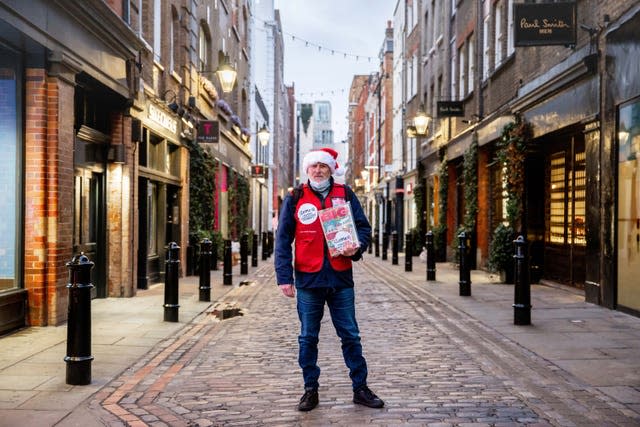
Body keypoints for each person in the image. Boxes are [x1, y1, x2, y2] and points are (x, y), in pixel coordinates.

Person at [275, 147, 384, 412]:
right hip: (308, 280)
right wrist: (284, 277)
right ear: (307, 169)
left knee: (351, 335)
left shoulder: (344, 194)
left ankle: (360, 388)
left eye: (323, 166)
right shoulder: (296, 197)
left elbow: (364, 228)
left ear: (330, 169)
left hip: (340, 278)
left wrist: (356, 247)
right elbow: (283, 239)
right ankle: (310, 389)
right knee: (307, 338)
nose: (318, 170)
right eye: (313, 166)